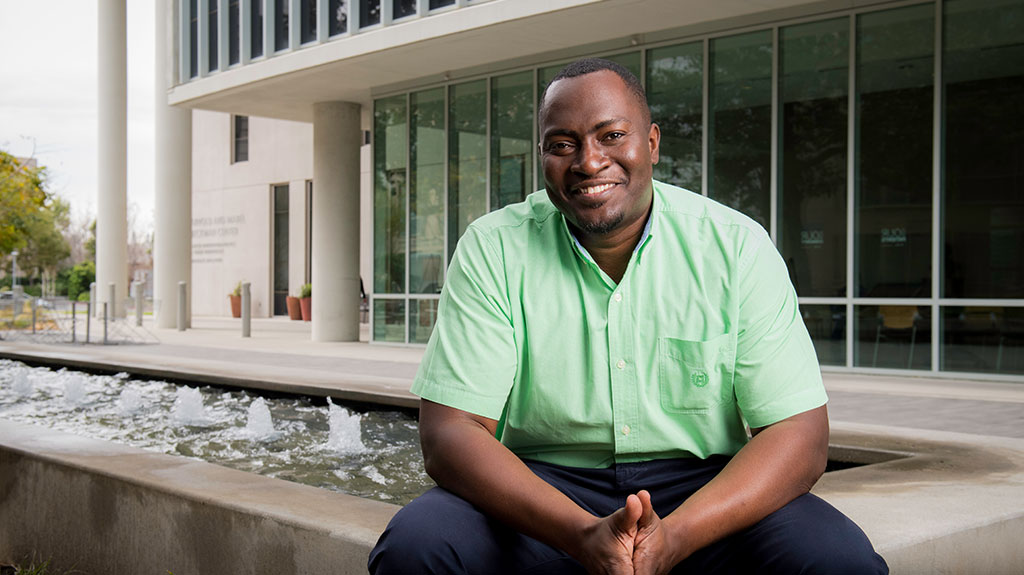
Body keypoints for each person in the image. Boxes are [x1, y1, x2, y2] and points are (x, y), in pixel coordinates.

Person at [369, 58, 887, 574]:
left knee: (839, 560)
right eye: (562, 144)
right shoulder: (494, 249)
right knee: (418, 546)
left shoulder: (735, 247)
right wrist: (580, 534)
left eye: (611, 136)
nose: (589, 162)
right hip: (543, 491)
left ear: (653, 144)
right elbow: (449, 434)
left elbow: (800, 435)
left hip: (703, 491)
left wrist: (677, 536)